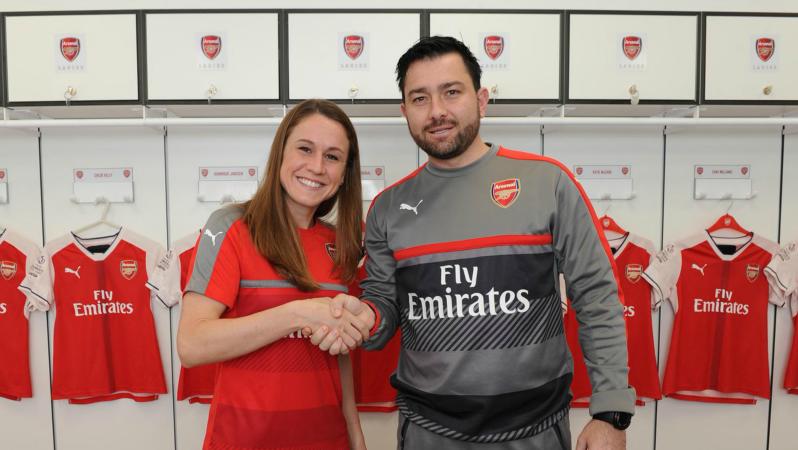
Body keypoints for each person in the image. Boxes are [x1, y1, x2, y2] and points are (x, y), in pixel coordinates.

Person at [311, 36, 635, 450]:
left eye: (451, 92)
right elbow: (383, 306)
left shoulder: (548, 183)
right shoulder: (387, 209)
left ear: (481, 99)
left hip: (535, 431)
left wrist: (611, 412)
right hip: (428, 432)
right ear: (404, 111)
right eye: (420, 98)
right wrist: (364, 318)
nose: (437, 112)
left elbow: (596, 294)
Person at [177, 99, 375, 450]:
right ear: (280, 153)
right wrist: (299, 312)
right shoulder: (231, 227)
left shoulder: (341, 242)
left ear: (344, 172)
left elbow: (338, 352)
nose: (316, 166)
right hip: (243, 440)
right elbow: (192, 345)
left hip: (328, 440)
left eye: (332, 157)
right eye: (305, 149)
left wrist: (355, 433)